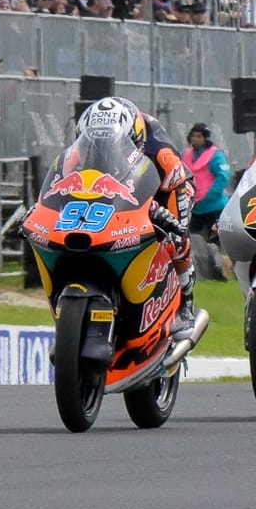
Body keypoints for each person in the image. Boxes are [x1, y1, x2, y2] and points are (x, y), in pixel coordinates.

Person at [74, 98, 197, 336]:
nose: (101, 150)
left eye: (109, 145)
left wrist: (166, 216)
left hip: (168, 186)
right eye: (95, 145)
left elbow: (174, 188)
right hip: (119, 185)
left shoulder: (161, 152)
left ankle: (186, 301)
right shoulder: (84, 146)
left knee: (177, 238)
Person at [182, 123, 232, 281]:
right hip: (193, 206)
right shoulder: (186, 154)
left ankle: (224, 270)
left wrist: (210, 195)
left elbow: (223, 177)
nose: (195, 139)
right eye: (193, 136)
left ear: (205, 138)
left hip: (213, 205)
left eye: (199, 136)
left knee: (217, 241)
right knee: (191, 238)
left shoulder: (215, 155)